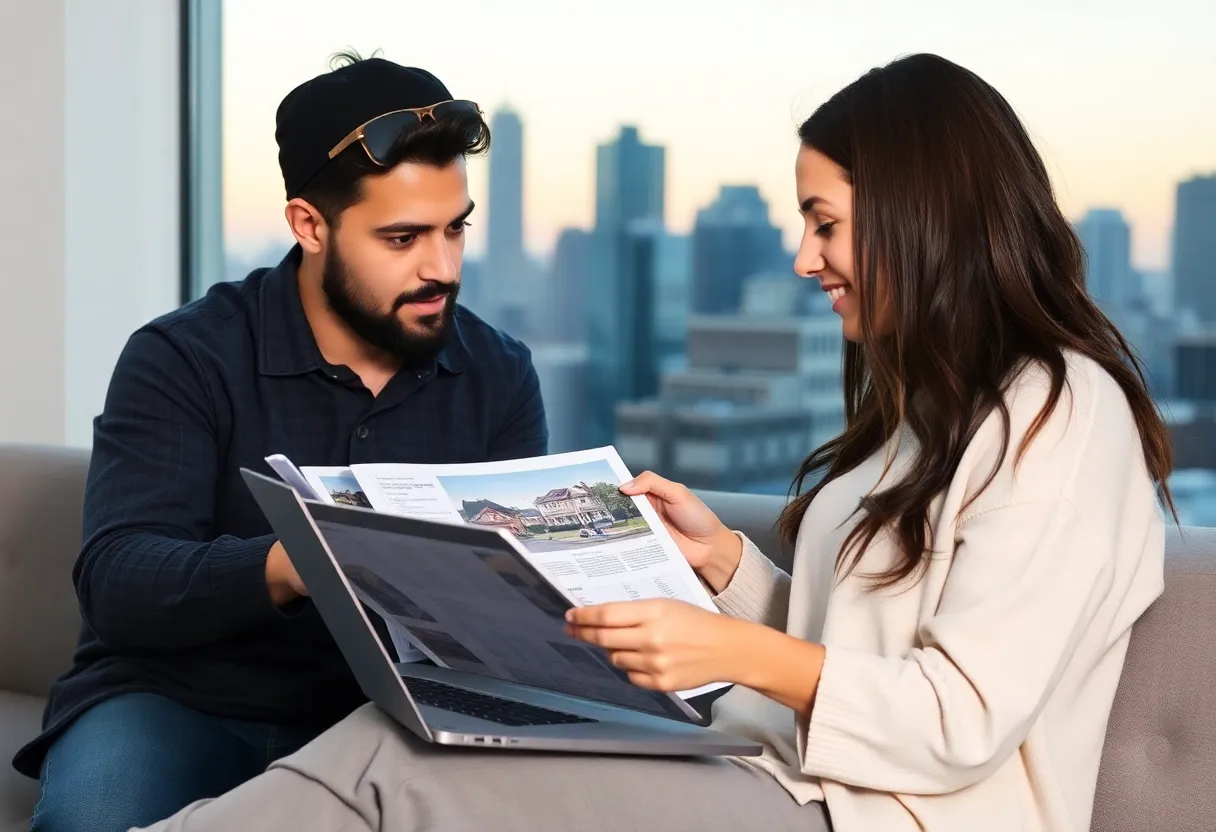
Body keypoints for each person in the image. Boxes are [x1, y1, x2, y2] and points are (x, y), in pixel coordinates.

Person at [133, 52, 1173, 832]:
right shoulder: (938, 412)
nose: (804, 256)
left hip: (881, 815)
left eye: (824, 221)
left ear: (921, 215)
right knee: (399, 737)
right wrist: (726, 566)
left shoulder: (1059, 415)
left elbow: (958, 717)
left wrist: (735, 648)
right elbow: (867, 650)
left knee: (412, 774)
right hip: (799, 776)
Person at [16, 53, 548, 832]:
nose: (441, 268)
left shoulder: (499, 375)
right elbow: (120, 579)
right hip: (181, 702)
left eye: (454, 230)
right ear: (310, 226)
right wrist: (299, 558)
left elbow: (509, 612)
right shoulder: (185, 356)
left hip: (389, 720)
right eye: (402, 239)